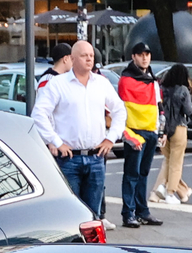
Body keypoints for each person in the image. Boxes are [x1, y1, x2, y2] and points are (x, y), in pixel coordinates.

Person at [29, 42, 126, 219]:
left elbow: (120, 110)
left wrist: (111, 138)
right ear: (72, 59)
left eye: (91, 55)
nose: (89, 58)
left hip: (96, 157)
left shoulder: (101, 84)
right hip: (69, 159)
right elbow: (38, 114)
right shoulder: (57, 84)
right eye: (84, 55)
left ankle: (91, 247)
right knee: (69, 214)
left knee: (93, 215)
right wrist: (56, 142)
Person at [114, 45, 161, 228]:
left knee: (142, 174)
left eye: (147, 54)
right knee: (132, 174)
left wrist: (160, 131)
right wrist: (129, 135)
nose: (144, 58)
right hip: (135, 132)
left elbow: (158, 105)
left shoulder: (152, 79)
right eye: (141, 55)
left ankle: (142, 211)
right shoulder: (126, 80)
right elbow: (122, 110)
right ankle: (129, 213)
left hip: (151, 131)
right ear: (133, 57)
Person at [156, 62, 192, 205]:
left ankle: (160, 189)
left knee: (167, 160)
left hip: (163, 128)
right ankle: (170, 192)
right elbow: (188, 110)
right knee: (176, 163)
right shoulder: (183, 90)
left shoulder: (162, 88)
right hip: (179, 127)